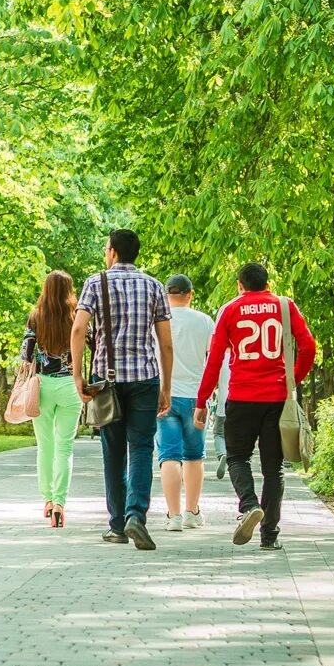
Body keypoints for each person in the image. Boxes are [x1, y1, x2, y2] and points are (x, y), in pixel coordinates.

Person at [196, 263, 317, 551]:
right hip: (277, 399)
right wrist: (291, 380)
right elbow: (309, 346)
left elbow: (214, 361)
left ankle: (249, 504)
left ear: (240, 284)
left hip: (241, 397)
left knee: (238, 457)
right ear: (267, 283)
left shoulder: (230, 310)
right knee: (274, 468)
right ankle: (269, 536)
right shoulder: (286, 307)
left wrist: (202, 401)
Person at [70, 229, 173, 551]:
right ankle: (136, 516)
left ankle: (116, 526)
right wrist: (166, 387)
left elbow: (78, 328)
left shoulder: (95, 283)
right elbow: (166, 343)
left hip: (106, 381)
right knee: (141, 448)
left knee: (113, 453)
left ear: (112, 251)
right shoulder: (155, 286)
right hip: (145, 377)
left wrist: (77, 376)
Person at [19, 270, 82, 528]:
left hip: (42, 387)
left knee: (45, 446)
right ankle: (60, 503)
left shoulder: (36, 317)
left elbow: (26, 353)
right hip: (70, 386)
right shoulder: (77, 315)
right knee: (65, 447)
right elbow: (89, 342)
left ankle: (46, 499)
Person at [154, 275, 214, 532]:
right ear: (190, 294)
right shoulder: (205, 322)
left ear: (167, 295)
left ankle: (173, 515)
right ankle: (192, 511)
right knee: (194, 457)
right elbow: (214, 361)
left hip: (163, 396)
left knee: (169, 456)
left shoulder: (156, 321)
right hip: (196, 398)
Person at [208, 351, 232, 479]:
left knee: (218, 433)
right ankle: (237, 461)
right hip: (243, 403)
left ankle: (222, 453)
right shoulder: (243, 355)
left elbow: (213, 380)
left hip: (224, 404)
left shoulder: (221, 358)